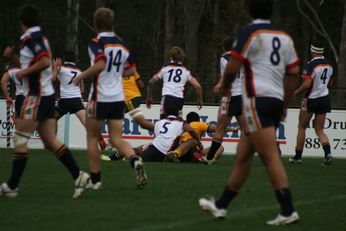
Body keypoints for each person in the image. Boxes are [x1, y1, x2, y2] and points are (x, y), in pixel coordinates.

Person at [198, 0, 301, 225]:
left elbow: (233, 66)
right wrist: (284, 103)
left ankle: (288, 209)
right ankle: (221, 206)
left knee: (269, 157)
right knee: (243, 157)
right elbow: (294, 73)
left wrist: (224, 86)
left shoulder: (249, 32)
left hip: (256, 101)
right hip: (274, 100)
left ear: (249, 11)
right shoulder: (285, 37)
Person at [0, 4, 89, 199]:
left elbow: (42, 62)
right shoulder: (38, 37)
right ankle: (79, 176)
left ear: (22, 21)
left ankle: (12, 186)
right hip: (46, 95)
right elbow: (35, 63)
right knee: (50, 142)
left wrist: (22, 72)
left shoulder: (31, 38)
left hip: (37, 96)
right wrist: (14, 58)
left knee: (20, 138)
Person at [72, 7, 147, 189]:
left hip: (100, 97)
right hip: (117, 98)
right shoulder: (121, 44)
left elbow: (100, 63)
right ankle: (135, 160)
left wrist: (81, 76)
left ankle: (96, 181)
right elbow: (129, 70)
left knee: (92, 137)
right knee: (116, 139)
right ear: (112, 23)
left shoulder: (96, 41)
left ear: (95, 23)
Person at [51, 50, 106, 150]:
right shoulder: (79, 71)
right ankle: (99, 137)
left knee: (53, 118)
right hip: (76, 100)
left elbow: (53, 78)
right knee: (87, 122)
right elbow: (82, 89)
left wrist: (55, 68)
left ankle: (53, 141)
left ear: (64, 59)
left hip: (65, 101)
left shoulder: (61, 68)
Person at [289, 43, 334, 165]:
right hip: (325, 98)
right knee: (319, 129)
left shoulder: (311, 64)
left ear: (312, 51)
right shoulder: (329, 64)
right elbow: (330, 84)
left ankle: (298, 157)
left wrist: (296, 92)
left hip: (311, 98)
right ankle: (328, 153)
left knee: (302, 127)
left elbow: (307, 84)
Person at [200, 37, 243, 165]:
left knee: (220, 128)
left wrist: (219, 85)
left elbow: (228, 74)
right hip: (243, 97)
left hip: (230, 96)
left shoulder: (225, 58)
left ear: (224, 48)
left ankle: (209, 158)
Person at [101, 71, 155, 161]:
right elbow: (141, 85)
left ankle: (112, 142)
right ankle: (113, 141)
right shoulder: (132, 70)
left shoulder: (115, 71)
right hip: (135, 96)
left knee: (142, 123)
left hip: (128, 98)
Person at [146, 46, 203, 119]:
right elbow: (198, 86)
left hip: (167, 97)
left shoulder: (165, 69)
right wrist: (200, 99)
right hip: (179, 100)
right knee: (177, 121)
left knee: (163, 120)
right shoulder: (186, 71)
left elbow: (151, 82)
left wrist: (149, 97)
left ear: (170, 57)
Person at [165, 111, 240, 162]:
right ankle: (210, 158)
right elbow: (218, 128)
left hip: (182, 151)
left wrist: (180, 114)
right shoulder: (197, 124)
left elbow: (179, 118)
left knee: (194, 144)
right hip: (191, 150)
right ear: (198, 120)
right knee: (219, 147)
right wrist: (235, 128)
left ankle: (175, 154)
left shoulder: (182, 124)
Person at [134, 105, 200, 162]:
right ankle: (175, 154)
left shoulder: (158, 122)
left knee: (139, 149)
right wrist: (198, 142)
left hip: (153, 152)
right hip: (169, 151)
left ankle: (130, 155)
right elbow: (191, 131)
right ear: (177, 113)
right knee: (192, 141)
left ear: (165, 112)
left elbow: (144, 125)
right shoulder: (182, 123)